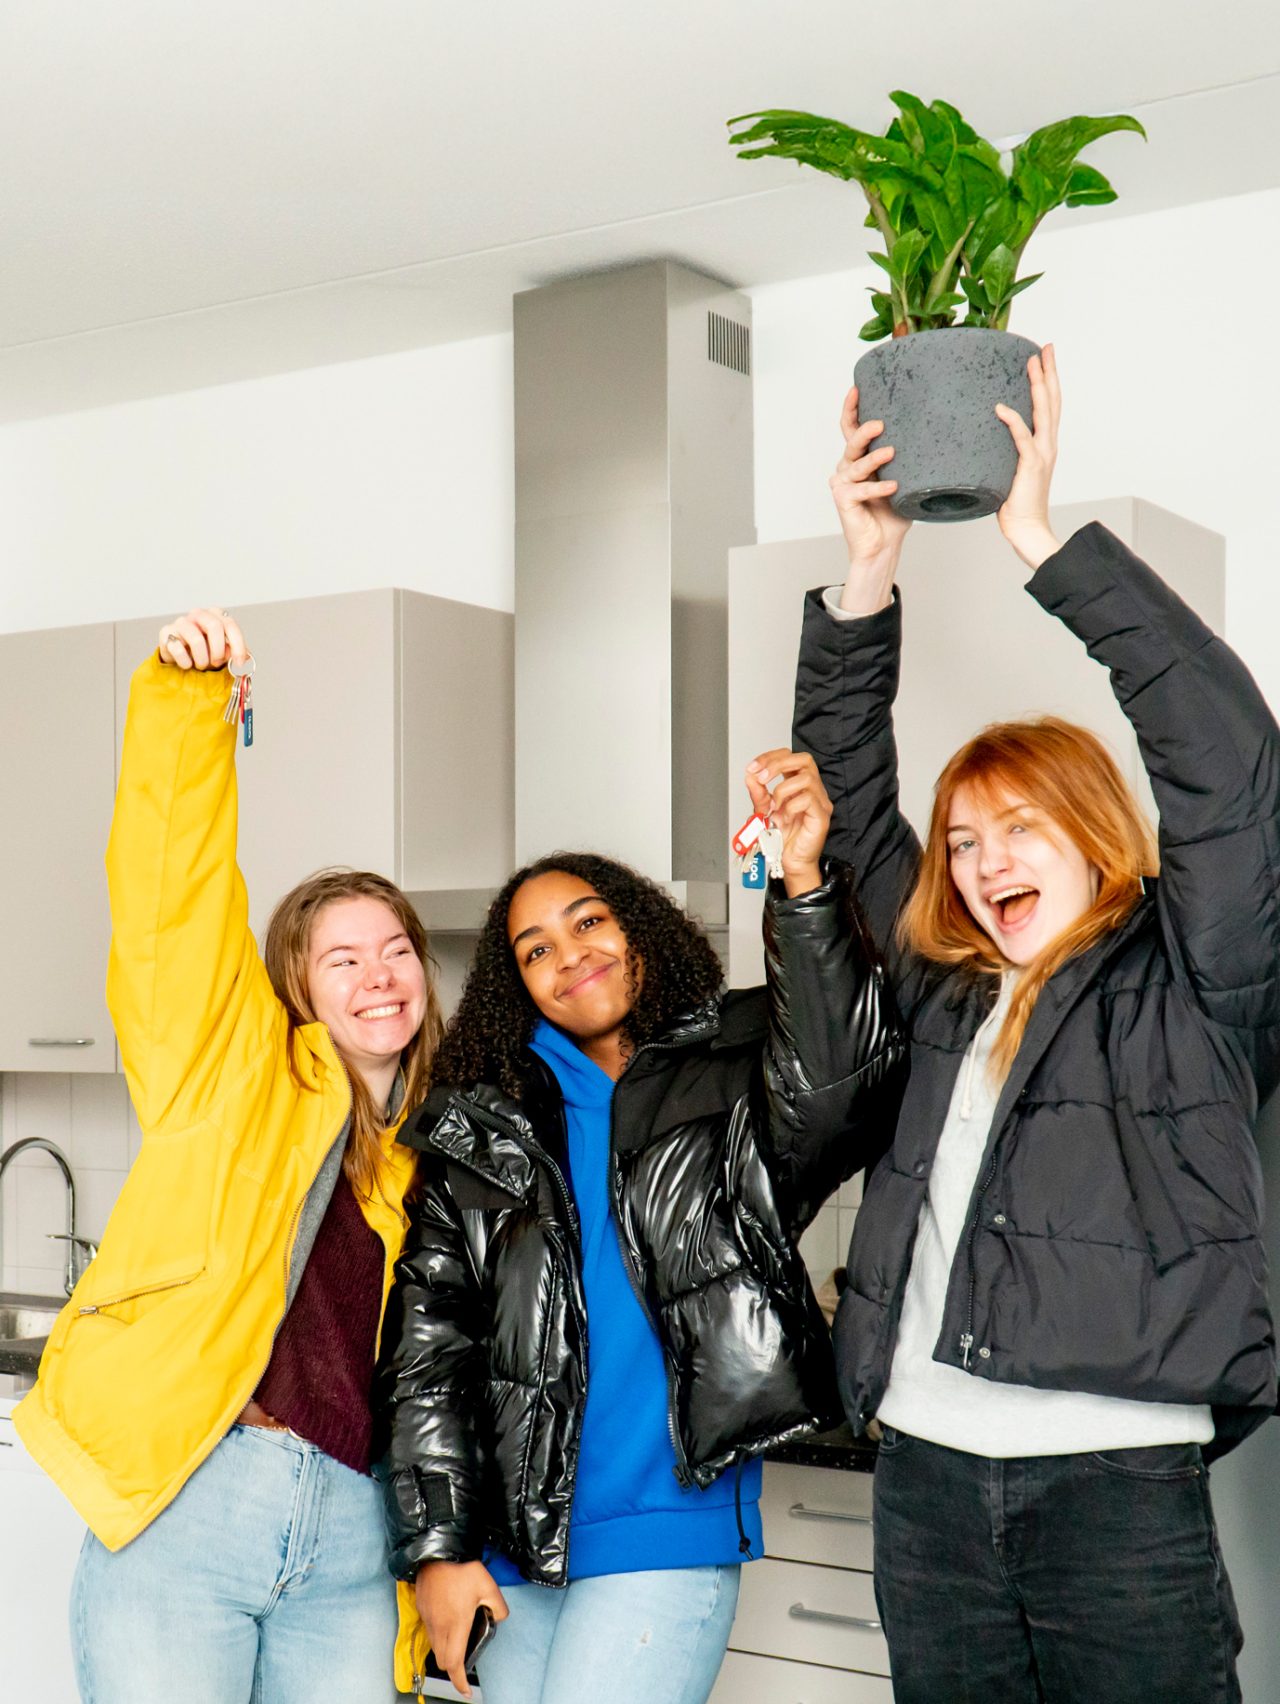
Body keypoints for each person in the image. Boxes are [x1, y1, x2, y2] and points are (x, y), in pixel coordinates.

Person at [779, 344, 1280, 1702]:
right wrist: (866, 570)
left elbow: (1230, 767)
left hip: (1114, 1487)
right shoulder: (945, 983)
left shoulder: (1197, 975)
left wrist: (1042, 541)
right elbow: (846, 797)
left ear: (1094, 832)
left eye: (1017, 828)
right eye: (962, 839)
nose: (983, 859)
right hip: (926, 1480)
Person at [374, 750, 906, 1704]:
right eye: (536, 949)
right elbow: (428, 1357)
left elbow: (843, 1091)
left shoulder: (733, 1072)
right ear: (517, 986)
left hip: (666, 1528)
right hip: (511, 1550)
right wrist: (439, 1551)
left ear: (638, 929)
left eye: (589, 921)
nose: (570, 953)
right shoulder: (481, 1133)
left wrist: (802, 880)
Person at [15, 607, 444, 1704]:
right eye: (341, 959)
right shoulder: (229, 1072)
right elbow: (173, 900)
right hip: (198, 1505)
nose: (378, 976)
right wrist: (185, 706)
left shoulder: (438, 1150)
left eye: (396, 950)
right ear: (294, 985)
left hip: (352, 1542)